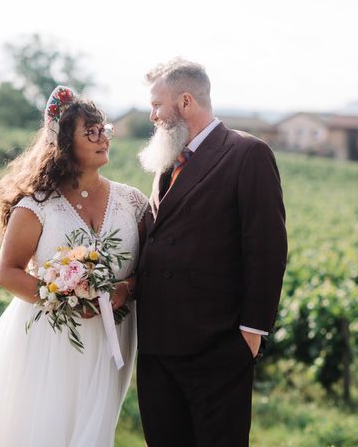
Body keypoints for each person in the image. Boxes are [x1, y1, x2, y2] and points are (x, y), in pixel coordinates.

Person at [0, 86, 148, 447]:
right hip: (50, 337)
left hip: (111, 336)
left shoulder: (132, 201)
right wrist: (63, 297)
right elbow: (6, 272)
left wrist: (125, 289)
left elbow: (151, 267)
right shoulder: (37, 206)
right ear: (66, 143)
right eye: (91, 131)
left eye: (105, 129)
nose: (103, 138)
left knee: (94, 427)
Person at [135, 58, 287, 446]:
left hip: (216, 350)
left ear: (186, 102)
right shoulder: (169, 158)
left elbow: (267, 248)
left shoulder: (247, 154)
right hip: (157, 349)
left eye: (157, 105)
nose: (152, 115)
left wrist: (249, 336)